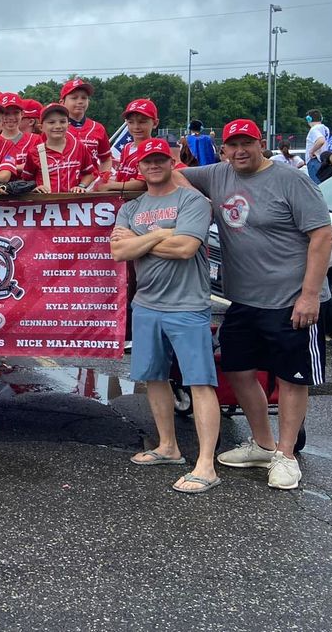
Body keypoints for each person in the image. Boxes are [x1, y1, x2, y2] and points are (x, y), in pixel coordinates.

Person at [177, 119, 332, 490]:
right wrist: (197, 200)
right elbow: (174, 172)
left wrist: (309, 295)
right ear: (223, 149)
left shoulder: (290, 180)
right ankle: (263, 444)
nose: (240, 151)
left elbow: (322, 236)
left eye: (247, 143)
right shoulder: (218, 174)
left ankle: (286, 454)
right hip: (244, 299)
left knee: (291, 378)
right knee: (238, 369)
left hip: (292, 299)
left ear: (261, 143)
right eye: (233, 145)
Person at [111, 139, 221, 494]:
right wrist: (162, 233)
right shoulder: (132, 206)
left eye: (160, 159)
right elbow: (119, 251)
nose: (154, 166)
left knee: (200, 382)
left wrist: (142, 239)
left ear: (171, 161)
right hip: (146, 304)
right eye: (147, 161)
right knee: (154, 378)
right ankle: (168, 447)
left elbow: (187, 248)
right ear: (139, 167)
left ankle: (206, 465)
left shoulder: (192, 201)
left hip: (188, 305)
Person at [21, 103, 98, 193]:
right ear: (41, 127)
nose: (58, 126)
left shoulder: (79, 147)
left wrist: (81, 186)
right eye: (51, 122)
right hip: (46, 204)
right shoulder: (34, 152)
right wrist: (34, 188)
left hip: (73, 204)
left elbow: (90, 173)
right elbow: (25, 181)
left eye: (62, 122)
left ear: (68, 125)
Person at [100, 99, 159, 192]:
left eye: (142, 122)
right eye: (131, 122)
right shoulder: (127, 147)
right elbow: (121, 175)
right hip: (123, 199)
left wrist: (111, 186)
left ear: (155, 123)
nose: (136, 127)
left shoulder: (154, 149)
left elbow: (142, 184)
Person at [59, 78, 112, 179]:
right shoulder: (54, 128)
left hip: (91, 187)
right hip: (63, 188)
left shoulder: (98, 128)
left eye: (84, 98)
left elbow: (106, 159)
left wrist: (103, 177)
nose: (80, 101)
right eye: (74, 98)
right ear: (62, 102)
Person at [304, 108, 331, 183]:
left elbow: (321, 140)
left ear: (309, 119)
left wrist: (312, 151)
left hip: (314, 161)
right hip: (323, 160)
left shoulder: (314, 129)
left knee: (318, 187)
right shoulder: (325, 128)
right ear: (321, 118)